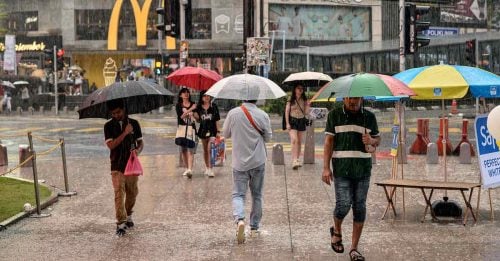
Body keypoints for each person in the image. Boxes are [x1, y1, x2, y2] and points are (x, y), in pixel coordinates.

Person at [321, 97, 380, 261]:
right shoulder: (334, 115)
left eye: (355, 98)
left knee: (360, 207)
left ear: (361, 98)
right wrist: (326, 167)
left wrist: (372, 140)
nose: (351, 101)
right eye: (348, 98)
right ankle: (337, 230)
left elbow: (377, 140)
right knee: (343, 205)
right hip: (342, 169)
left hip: (363, 170)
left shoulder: (369, 117)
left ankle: (354, 249)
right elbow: (328, 142)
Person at [223, 99, 272, 244]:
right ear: (256, 98)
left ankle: (240, 220)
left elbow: (225, 134)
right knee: (257, 195)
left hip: (239, 162)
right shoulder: (262, 115)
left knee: (238, 194)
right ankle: (255, 228)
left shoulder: (233, 113)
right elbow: (268, 138)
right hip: (258, 161)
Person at [104, 99, 144, 236]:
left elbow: (140, 142)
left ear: (124, 109)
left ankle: (128, 214)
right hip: (116, 164)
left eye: (118, 112)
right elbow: (111, 145)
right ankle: (121, 223)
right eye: (113, 113)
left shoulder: (134, 123)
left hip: (131, 164)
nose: (116, 115)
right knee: (119, 193)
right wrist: (125, 133)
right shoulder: (108, 126)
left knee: (132, 193)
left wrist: (137, 151)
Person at [194, 91, 221, 177]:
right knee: (205, 150)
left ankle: (210, 168)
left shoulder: (214, 106)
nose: (206, 97)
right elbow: (198, 120)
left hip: (212, 131)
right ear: (201, 97)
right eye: (204, 96)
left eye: (208, 95)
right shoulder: (198, 107)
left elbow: (217, 119)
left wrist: (218, 131)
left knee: (210, 149)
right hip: (203, 130)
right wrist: (194, 115)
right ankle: (207, 167)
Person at [285, 84, 310, 170]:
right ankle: (294, 160)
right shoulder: (290, 99)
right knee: (294, 140)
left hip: (301, 121)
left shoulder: (304, 99)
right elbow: (287, 111)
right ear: (295, 89)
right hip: (292, 121)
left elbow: (306, 113)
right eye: (298, 88)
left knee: (299, 142)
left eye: (302, 88)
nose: (300, 90)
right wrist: (287, 123)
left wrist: (308, 105)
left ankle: (297, 159)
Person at [176, 88, 197, 178]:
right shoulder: (178, 105)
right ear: (180, 95)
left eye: (187, 92)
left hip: (191, 129)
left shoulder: (194, 104)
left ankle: (190, 169)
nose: (186, 94)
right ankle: (186, 168)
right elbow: (181, 116)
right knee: (183, 150)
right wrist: (190, 110)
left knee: (191, 149)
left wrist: (194, 113)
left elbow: (197, 117)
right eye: (184, 92)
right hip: (182, 129)